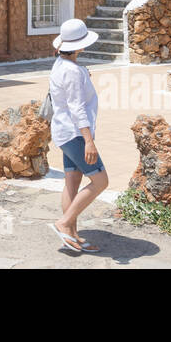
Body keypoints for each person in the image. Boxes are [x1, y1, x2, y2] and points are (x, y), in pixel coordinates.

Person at [47, 18, 108, 252]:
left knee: (72, 183)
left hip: (62, 132)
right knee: (101, 181)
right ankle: (64, 224)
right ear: (80, 45)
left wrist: (83, 74)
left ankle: (72, 235)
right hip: (75, 135)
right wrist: (89, 141)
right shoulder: (73, 71)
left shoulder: (62, 65)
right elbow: (77, 108)